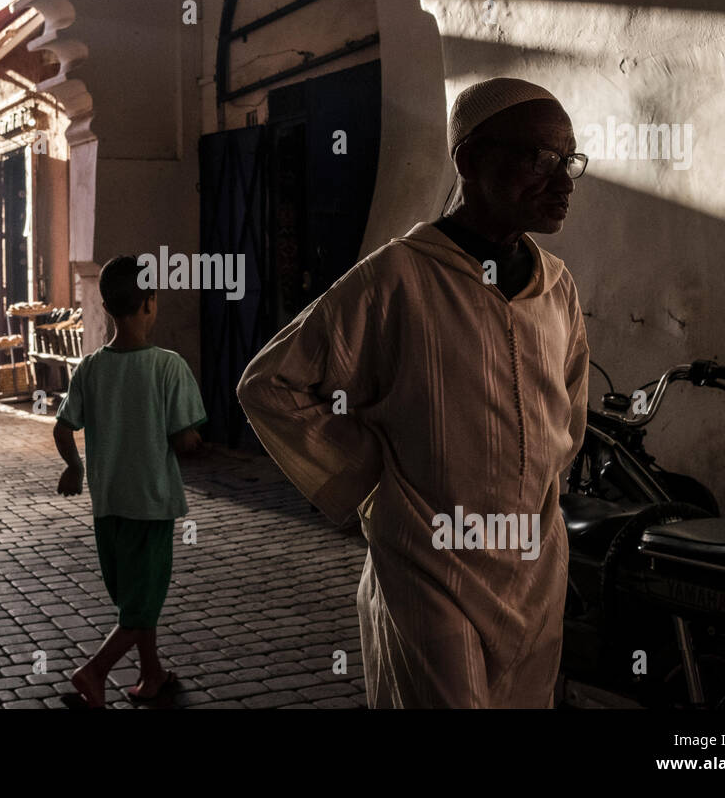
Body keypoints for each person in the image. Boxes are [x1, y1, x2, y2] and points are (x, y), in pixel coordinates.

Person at [237, 77, 591, 708]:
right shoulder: (397, 278)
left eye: (568, 161)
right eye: (539, 159)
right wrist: (372, 479)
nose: (561, 180)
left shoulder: (555, 287)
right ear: (470, 160)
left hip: (535, 568)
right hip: (432, 566)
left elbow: (567, 417)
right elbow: (273, 383)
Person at [53, 255, 208, 708]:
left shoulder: (91, 369)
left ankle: (152, 672)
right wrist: (199, 442)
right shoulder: (169, 366)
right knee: (142, 604)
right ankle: (93, 672)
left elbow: (64, 428)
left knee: (136, 597)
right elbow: (184, 440)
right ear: (149, 304)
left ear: (105, 307)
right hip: (151, 504)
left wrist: (74, 468)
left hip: (108, 507)